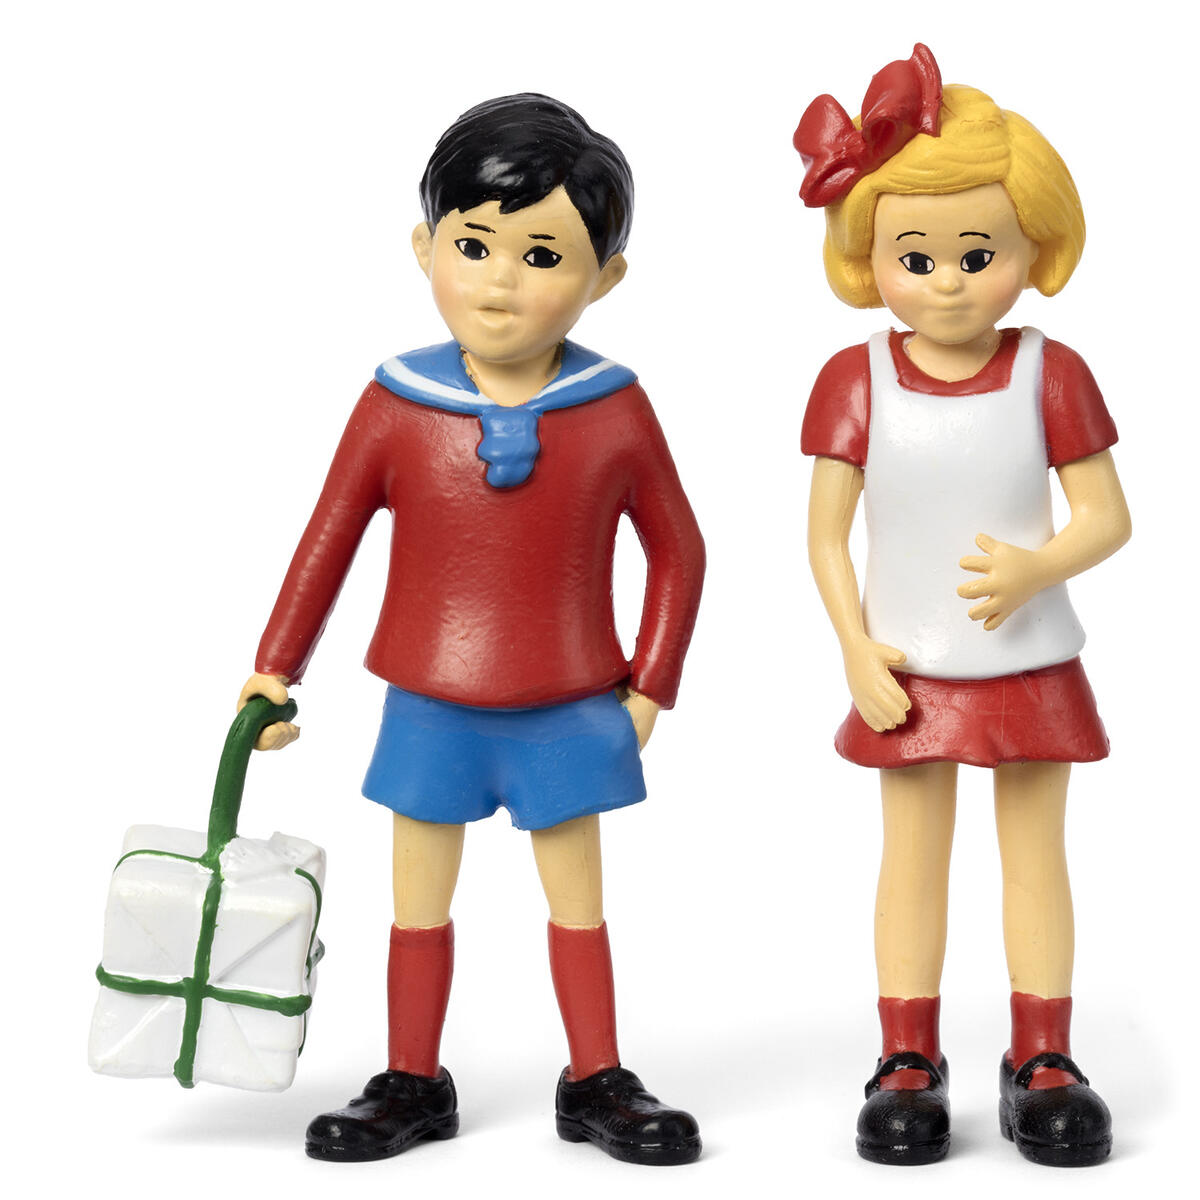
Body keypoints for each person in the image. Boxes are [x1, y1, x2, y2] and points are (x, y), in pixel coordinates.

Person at [238, 93, 705, 1166]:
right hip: (431, 702)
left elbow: (679, 549)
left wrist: (650, 688)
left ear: (605, 279)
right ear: (425, 249)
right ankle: (412, 1076)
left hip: (570, 701)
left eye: (542, 255)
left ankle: (596, 1077)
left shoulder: (613, 407)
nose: (500, 281)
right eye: (474, 245)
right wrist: (274, 669)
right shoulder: (396, 402)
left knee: (578, 903)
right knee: (417, 902)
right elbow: (328, 538)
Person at [796, 46, 1130, 1167]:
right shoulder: (855, 379)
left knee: (1036, 856)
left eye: (978, 255)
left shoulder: (1053, 372)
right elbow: (825, 534)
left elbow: (1106, 516)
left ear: (1033, 249)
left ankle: (1044, 1053)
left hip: (1030, 657)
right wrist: (854, 649)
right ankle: (907, 1053)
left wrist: (1040, 567)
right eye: (916, 256)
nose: (946, 281)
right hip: (909, 664)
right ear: (871, 258)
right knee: (913, 859)